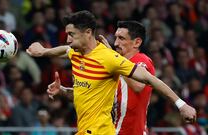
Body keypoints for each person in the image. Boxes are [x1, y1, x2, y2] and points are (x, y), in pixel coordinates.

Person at [26, 10, 196, 135]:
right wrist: (44, 52)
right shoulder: (80, 55)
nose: (115, 43)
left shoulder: (122, 60)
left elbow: (142, 82)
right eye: (115, 37)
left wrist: (181, 104)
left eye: (72, 34)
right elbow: (67, 53)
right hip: (102, 130)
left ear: (88, 33)